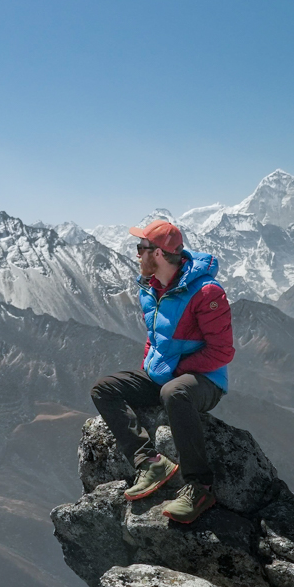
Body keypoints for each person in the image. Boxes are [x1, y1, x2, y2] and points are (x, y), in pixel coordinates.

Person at [90, 220, 234, 523]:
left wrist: (175, 370)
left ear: (158, 253)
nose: (137, 254)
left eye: (141, 248)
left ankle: (200, 487)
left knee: (174, 392)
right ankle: (150, 463)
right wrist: (151, 365)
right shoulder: (150, 288)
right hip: (165, 374)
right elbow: (154, 337)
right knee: (104, 389)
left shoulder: (207, 292)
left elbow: (222, 352)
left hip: (204, 380)